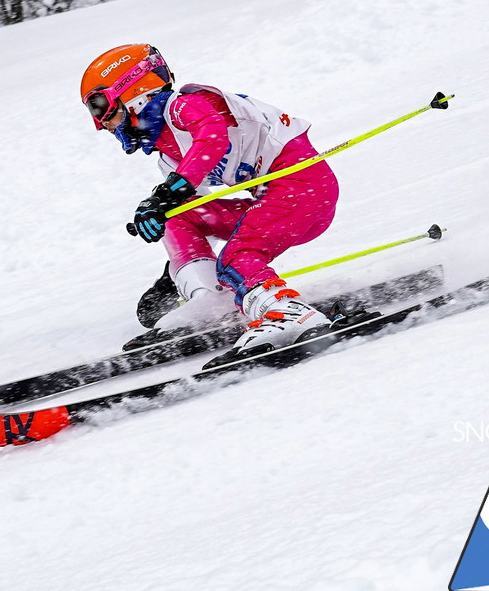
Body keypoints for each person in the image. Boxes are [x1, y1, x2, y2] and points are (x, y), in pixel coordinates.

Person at [80, 43, 340, 368]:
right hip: (272, 199)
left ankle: (288, 312)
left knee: (236, 256)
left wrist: (167, 193)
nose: (101, 123)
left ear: (136, 92)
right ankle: (211, 305)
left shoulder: (184, 106)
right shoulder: (168, 151)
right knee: (179, 218)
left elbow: (213, 136)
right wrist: (175, 270)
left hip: (304, 190)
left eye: (102, 106)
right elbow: (186, 202)